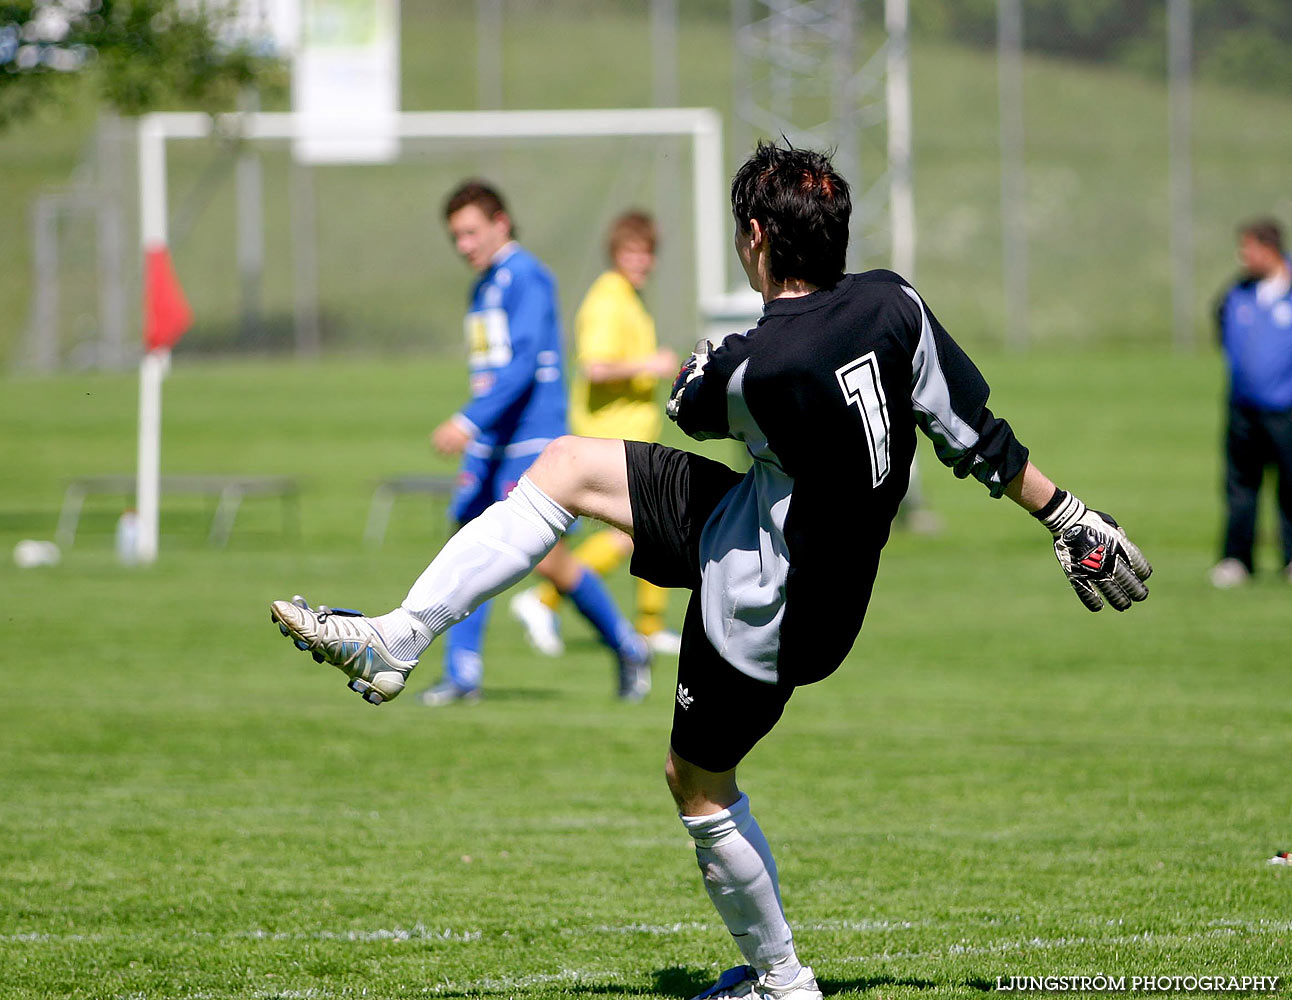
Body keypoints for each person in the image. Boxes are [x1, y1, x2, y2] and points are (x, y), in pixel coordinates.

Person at [270, 144, 1152, 999]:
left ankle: (783, 981)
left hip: (764, 600)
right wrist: (1070, 517)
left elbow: (694, 401)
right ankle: (400, 635)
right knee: (569, 467)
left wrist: (708, 358)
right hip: (778, 538)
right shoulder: (896, 305)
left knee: (696, 784)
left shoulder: (757, 364)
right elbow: (974, 435)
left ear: (759, 240)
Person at [417, 180, 651, 704]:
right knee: (467, 541)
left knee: (544, 558)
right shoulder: (481, 288)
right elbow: (491, 369)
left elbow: (524, 366)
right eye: (456, 236)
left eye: (472, 232)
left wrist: (468, 420)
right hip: (494, 436)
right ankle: (462, 674)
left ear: (501, 223)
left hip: (530, 433)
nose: (463, 245)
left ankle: (625, 644)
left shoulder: (528, 277)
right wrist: (480, 431)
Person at [510, 210, 682, 658]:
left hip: (630, 435)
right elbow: (596, 366)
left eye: (647, 254)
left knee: (650, 531)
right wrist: (651, 365)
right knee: (639, 532)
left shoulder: (629, 296)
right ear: (615, 253)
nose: (641, 261)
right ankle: (542, 599)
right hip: (608, 438)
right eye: (631, 252)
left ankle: (648, 626)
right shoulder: (608, 299)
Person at [1210, 217, 1292, 588]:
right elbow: (1221, 324)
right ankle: (1237, 559)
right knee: (1240, 485)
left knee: (1290, 485)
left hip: (1286, 408)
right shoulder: (1238, 292)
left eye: (1249, 249)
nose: (1243, 257)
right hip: (1243, 408)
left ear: (1269, 248)